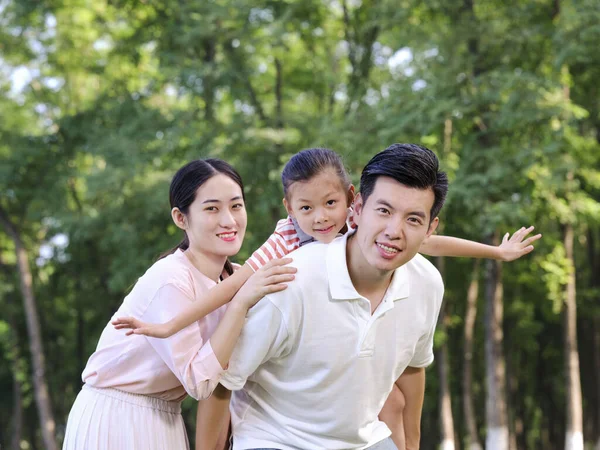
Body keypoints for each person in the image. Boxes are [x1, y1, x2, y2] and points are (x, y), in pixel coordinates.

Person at [113, 148, 540, 449]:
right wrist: (170, 325)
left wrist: (496, 252)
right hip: (272, 411)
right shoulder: (283, 262)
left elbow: (431, 244)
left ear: (350, 201)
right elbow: (231, 293)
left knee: (387, 397)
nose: (320, 217)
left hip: (349, 418)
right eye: (306, 208)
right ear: (290, 208)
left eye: (330, 204)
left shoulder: (391, 248)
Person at [214, 143, 456, 449]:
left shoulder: (427, 284)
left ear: (430, 228)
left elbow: (413, 367)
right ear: (357, 207)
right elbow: (222, 378)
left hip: (363, 439)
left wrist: (412, 443)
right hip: (276, 437)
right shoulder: (290, 278)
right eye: (384, 211)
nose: (394, 231)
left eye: (413, 219)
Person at [62, 159, 296, 450]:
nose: (229, 220)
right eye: (212, 208)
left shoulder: (234, 277)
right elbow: (200, 383)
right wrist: (240, 304)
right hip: (117, 414)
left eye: (236, 206)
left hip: (166, 418)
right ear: (181, 218)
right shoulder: (172, 279)